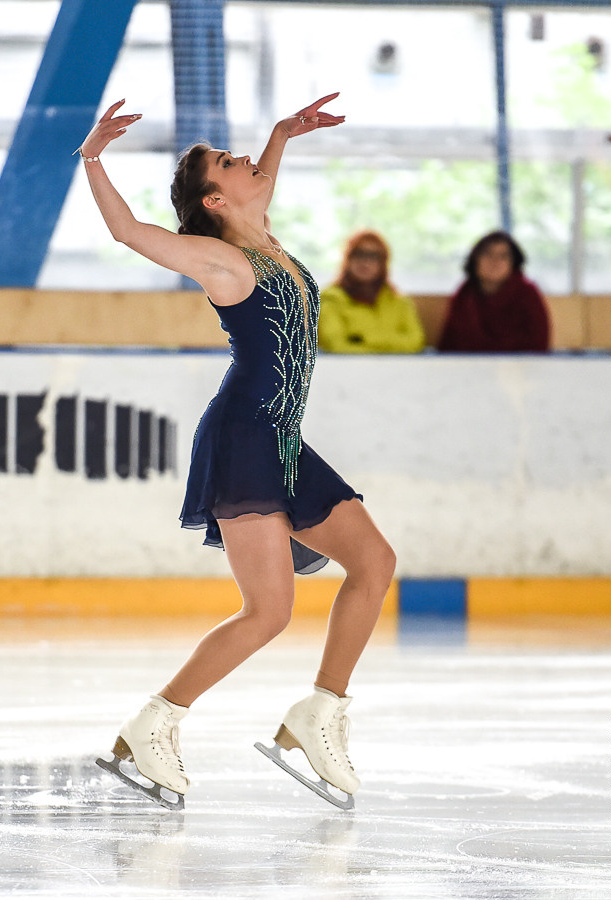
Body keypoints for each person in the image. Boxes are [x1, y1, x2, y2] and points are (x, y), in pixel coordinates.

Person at [77, 95, 396, 809]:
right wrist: (93, 156)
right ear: (214, 200)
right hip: (244, 438)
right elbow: (128, 231)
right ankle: (154, 722)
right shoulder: (221, 260)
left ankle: (319, 712)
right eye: (229, 161)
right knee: (268, 611)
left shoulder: (262, 238)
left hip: (282, 439)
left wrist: (282, 134)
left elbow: (259, 189)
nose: (247, 159)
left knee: (374, 562)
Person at [438, 230, 551, 352]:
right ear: (475, 259)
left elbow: (538, 345)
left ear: (513, 264)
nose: (495, 261)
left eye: (503, 256)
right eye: (488, 254)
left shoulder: (527, 295)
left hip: (519, 363)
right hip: (468, 363)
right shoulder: (464, 295)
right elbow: (449, 345)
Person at [318, 231, 425, 354]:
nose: (365, 262)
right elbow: (336, 346)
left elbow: (415, 342)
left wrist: (364, 339)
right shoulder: (329, 299)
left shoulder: (399, 301)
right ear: (347, 259)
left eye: (374, 256)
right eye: (359, 254)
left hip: (398, 365)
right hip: (349, 365)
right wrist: (389, 345)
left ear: (383, 262)